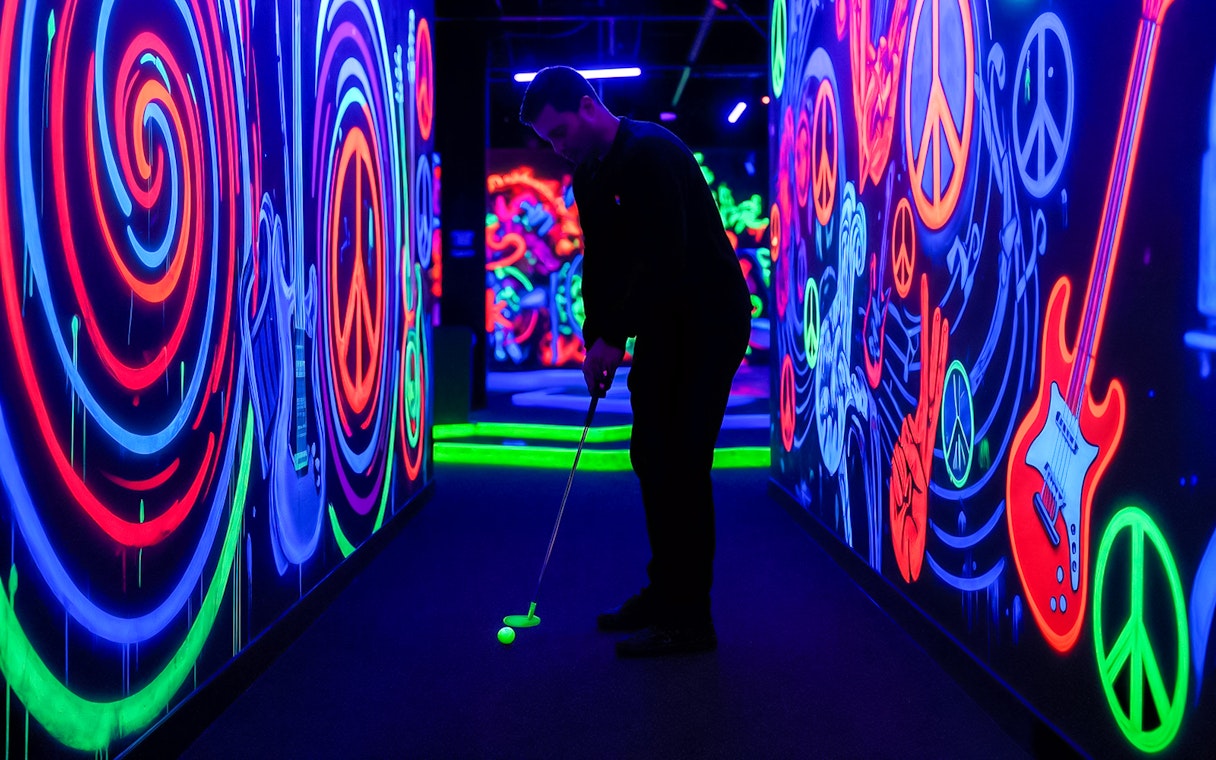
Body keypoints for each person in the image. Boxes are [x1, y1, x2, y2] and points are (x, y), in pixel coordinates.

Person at [519, 66, 752, 657]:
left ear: (590, 106)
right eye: (549, 140)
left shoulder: (649, 154)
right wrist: (598, 335)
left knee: (682, 461)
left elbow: (662, 260)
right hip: (664, 325)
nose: (559, 146)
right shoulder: (589, 174)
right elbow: (603, 263)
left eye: (561, 131)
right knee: (650, 452)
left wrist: (616, 337)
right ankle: (665, 592)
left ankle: (690, 619)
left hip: (708, 321)